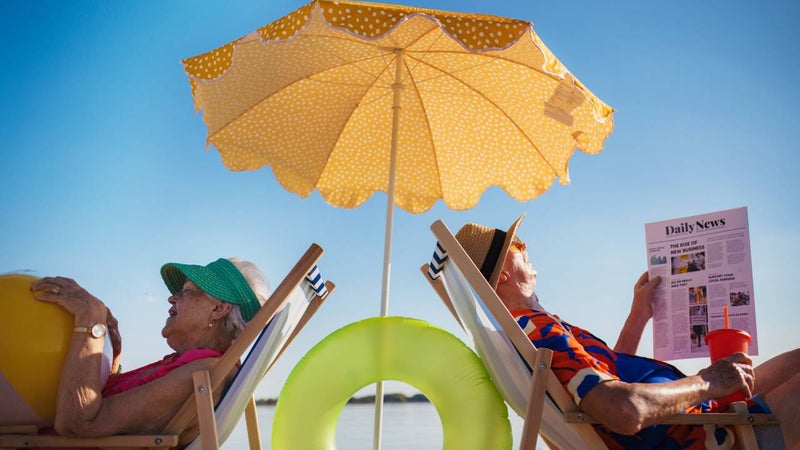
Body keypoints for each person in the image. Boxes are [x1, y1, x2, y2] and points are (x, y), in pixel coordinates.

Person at [454, 214, 799, 450]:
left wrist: (638, 315)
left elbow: (603, 381)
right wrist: (709, 380)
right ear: (501, 275)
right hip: (708, 434)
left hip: (697, 414)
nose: (526, 248)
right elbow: (623, 409)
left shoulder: (528, 331)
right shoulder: (538, 331)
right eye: (516, 247)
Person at [28, 257, 270, 442]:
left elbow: (78, 423)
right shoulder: (189, 365)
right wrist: (109, 360)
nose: (172, 299)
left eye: (186, 292)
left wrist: (90, 319)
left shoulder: (204, 373)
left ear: (218, 309)